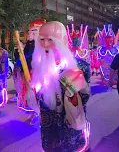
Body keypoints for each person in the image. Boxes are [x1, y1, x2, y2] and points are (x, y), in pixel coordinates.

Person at [31, 21, 90, 152]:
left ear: (63, 40)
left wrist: (74, 91)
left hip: (69, 123)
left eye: (50, 39)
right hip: (48, 124)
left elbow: (85, 97)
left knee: (71, 147)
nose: (45, 44)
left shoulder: (80, 66)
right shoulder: (39, 66)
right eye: (42, 39)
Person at [13, 18, 45, 125]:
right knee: (29, 97)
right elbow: (21, 61)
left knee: (39, 97)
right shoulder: (29, 45)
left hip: (38, 77)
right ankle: (35, 113)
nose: (30, 34)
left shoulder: (43, 47)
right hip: (27, 76)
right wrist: (19, 52)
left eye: (34, 32)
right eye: (29, 31)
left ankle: (39, 115)